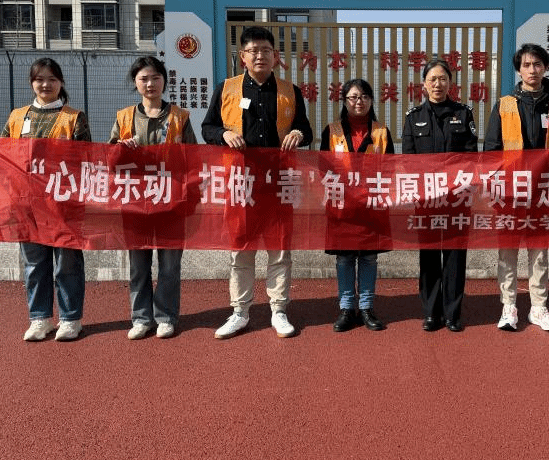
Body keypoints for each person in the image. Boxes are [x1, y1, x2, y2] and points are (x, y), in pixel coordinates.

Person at [201, 25, 313, 339]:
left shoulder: (290, 91)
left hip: (279, 181)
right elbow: (207, 128)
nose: (259, 56)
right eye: (253, 51)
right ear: (243, 56)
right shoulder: (227, 89)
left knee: (280, 249)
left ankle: (279, 310)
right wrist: (223, 134)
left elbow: (306, 129)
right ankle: (240, 311)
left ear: (275, 56)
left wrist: (298, 133)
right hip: (242, 182)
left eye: (265, 50)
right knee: (241, 249)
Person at [0, 58, 91, 342]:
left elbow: (87, 158)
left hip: (63, 205)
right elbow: (2, 153)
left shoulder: (74, 117)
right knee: (34, 264)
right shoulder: (17, 117)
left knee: (67, 264)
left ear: (61, 82)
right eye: (40, 79)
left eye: (52, 79)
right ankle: (40, 319)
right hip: (27, 206)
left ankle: (70, 319)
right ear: (31, 82)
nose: (46, 84)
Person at [483, 43, 549, 332]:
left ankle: (538, 307)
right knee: (508, 251)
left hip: (542, 190)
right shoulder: (504, 104)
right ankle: (508, 306)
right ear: (518, 70)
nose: (532, 70)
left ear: (546, 67)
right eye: (526, 65)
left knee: (539, 251)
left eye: (537, 64)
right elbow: (491, 150)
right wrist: (495, 187)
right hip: (510, 191)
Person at [109, 56, 197, 340]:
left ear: (164, 81)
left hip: (171, 201)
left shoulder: (180, 117)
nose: (150, 84)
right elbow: (109, 159)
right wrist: (120, 147)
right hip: (136, 202)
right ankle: (141, 318)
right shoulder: (124, 117)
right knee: (139, 265)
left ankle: (166, 317)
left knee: (170, 265)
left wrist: (190, 197)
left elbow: (194, 158)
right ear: (135, 83)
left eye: (155, 78)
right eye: (143, 79)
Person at [402, 59, 478, 332]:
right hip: (426, 199)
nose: (438, 84)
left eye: (443, 79)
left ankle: (452, 313)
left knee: (455, 255)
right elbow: (408, 159)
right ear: (423, 84)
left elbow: (470, 155)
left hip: (456, 197)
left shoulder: (464, 114)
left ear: (450, 83)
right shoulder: (413, 117)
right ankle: (431, 313)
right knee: (429, 256)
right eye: (432, 79)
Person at [320, 78, 395, 332]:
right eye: (353, 97)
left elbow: (390, 168)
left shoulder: (381, 131)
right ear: (344, 101)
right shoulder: (332, 131)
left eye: (364, 96)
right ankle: (346, 308)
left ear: (371, 100)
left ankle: (366, 307)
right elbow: (323, 168)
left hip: (371, 203)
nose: (358, 101)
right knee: (344, 258)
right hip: (341, 205)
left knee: (369, 257)